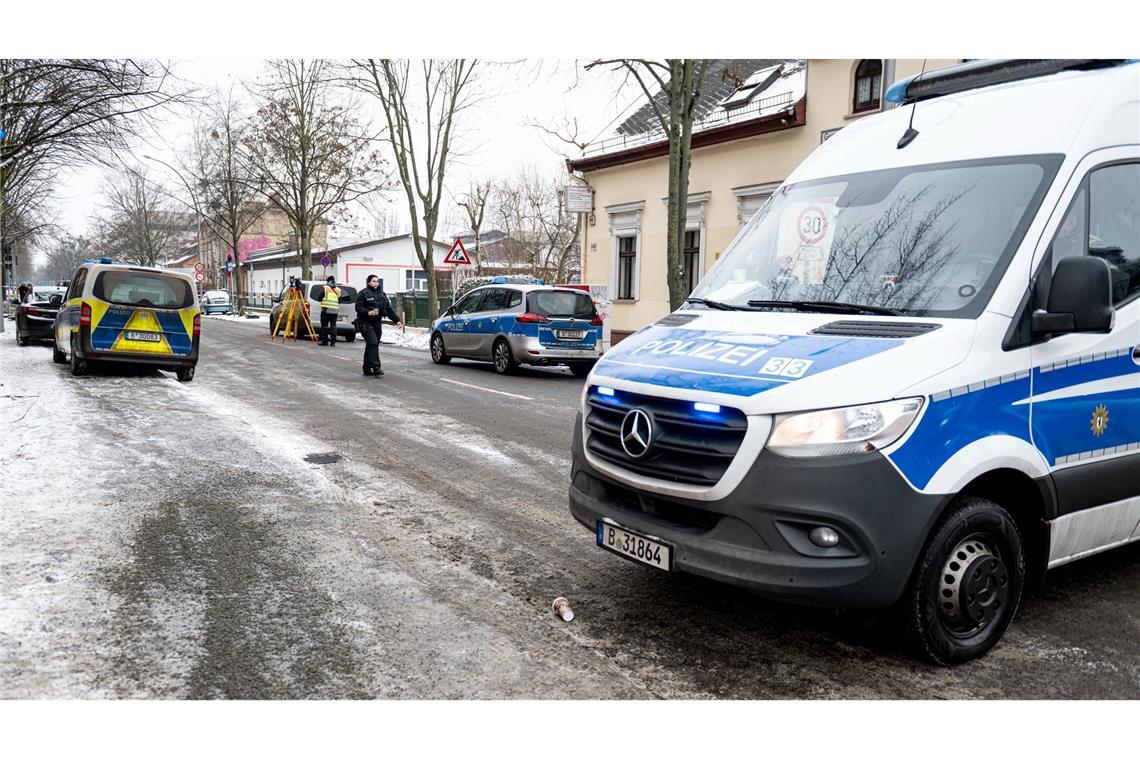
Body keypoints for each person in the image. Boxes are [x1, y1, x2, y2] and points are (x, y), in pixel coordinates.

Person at [354, 274, 403, 376]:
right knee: (373, 343)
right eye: (373, 281)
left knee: (373, 344)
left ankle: (367, 368)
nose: (376, 283)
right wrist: (368, 312)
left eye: (377, 281)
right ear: (369, 282)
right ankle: (376, 367)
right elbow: (358, 307)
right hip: (365, 321)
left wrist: (397, 320)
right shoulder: (363, 293)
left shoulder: (382, 294)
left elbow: (388, 309)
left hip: (376, 322)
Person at [318, 275, 341, 346]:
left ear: (328, 281)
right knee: (333, 326)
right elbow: (339, 301)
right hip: (335, 311)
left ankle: (325, 341)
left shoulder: (325, 288)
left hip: (326, 310)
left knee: (325, 326)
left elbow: (319, 298)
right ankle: (333, 342)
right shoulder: (338, 290)